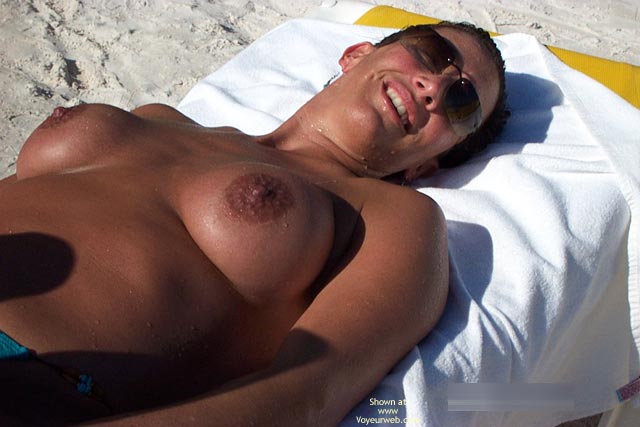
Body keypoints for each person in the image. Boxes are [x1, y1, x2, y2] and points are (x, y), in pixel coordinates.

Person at [0, 21, 506, 426]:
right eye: (432, 53)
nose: (434, 86)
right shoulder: (158, 117)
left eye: (461, 101)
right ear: (356, 54)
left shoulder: (391, 218)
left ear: (428, 165)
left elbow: (306, 394)